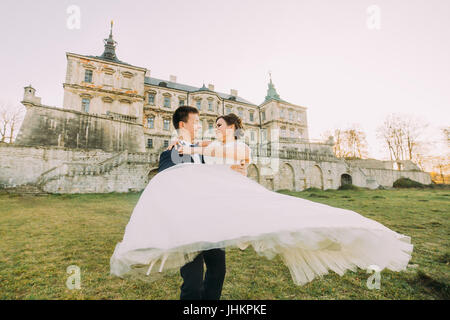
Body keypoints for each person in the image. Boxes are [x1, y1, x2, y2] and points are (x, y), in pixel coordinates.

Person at [110, 110, 413, 298]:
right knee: (192, 280)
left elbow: (223, 157)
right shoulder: (174, 149)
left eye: (214, 124)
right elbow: (172, 175)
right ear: (182, 123)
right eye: (199, 121)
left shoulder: (223, 145)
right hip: (187, 220)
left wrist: (230, 169)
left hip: (210, 216)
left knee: (217, 270)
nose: (206, 126)